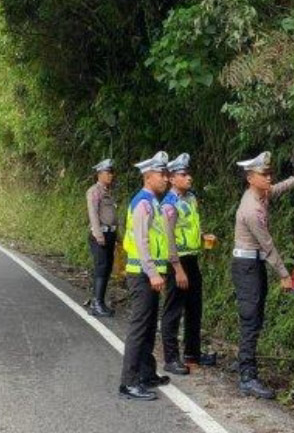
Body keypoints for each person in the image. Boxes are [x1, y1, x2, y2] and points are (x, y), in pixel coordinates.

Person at [232, 151, 294, 399]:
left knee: (256, 316)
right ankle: (247, 376)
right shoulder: (251, 209)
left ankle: (245, 361)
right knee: (251, 318)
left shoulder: (261, 194)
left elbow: (280, 188)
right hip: (247, 266)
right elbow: (268, 245)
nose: (269, 178)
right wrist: (284, 274)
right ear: (250, 178)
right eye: (264, 174)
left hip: (253, 264)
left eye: (270, 173)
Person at [118, 151, 172, 401]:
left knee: (149, 327)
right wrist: (152, 272)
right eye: (162, 174)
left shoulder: (154, 203)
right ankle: (128, 383)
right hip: (141, 274)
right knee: (139, 328)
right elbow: (141, 242)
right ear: (148, 176)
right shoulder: (143, 203)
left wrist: (158, 271)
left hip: (150, 274)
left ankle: (146, 373)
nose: (166, 178)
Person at [160, 153, 218, 376]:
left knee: (195, 307)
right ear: (172, 178)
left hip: (192, 258)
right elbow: (168, 239)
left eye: (188, 173)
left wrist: (203, 236)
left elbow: (191, 226)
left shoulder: (191, 198)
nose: (189, 177)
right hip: (177, 261)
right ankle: (171, 358)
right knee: (173, 309)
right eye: (183, 174)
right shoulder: (169, 204)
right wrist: (177, 269)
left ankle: (193, 353)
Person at [86, 159, 118, 317]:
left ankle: (100, 302)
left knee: (107, 268)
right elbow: (93, 213)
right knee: (101, 267)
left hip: (110, 234)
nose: (111, 175)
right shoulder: (94, 191)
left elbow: (113, 216)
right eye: (108, 172)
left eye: (111, 173)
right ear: (99, 174)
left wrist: (117, 235)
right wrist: (98, 234)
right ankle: (96, 304)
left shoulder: (108, 192)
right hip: (100, 235)